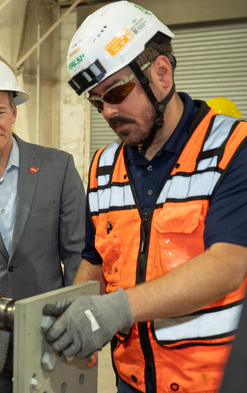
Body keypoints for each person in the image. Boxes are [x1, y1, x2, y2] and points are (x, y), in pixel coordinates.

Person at [42, 2, 247, 393]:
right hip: (131, 381)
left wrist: (116, 309)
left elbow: (227, 265)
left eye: (117, 91)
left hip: (214, 382)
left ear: (162, 74)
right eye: (96, 100)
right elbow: (95, 259)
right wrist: (77, 311)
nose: (107, 111)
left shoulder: (232, 149)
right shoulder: (103, 166)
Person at [0, 54, 86, 393]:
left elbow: (78, 252)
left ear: (14, 113)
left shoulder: (58, 168)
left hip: (48, 334)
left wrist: (74, 318)